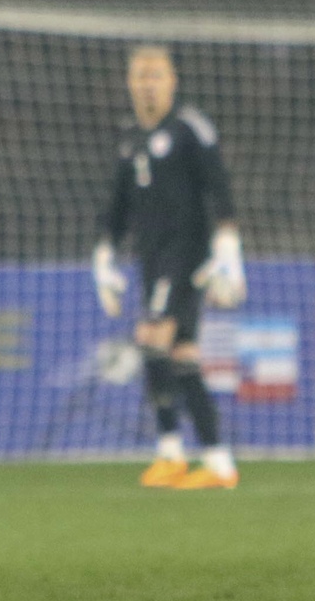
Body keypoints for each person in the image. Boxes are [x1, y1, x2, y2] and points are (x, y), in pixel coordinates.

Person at [92, 44, 246, 490]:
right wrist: (103, 257)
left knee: (151, 337)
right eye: (140, 75)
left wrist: (228, 249)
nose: (148, 83)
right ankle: (216, 462)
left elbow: (220, 190)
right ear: (129, 83)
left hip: (186, 255)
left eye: (156, 75)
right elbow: (116, 209)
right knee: (180, 354)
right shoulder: (130, 138)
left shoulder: (189, 128)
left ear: (172, 80)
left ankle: (172, 452)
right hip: (152, 258)